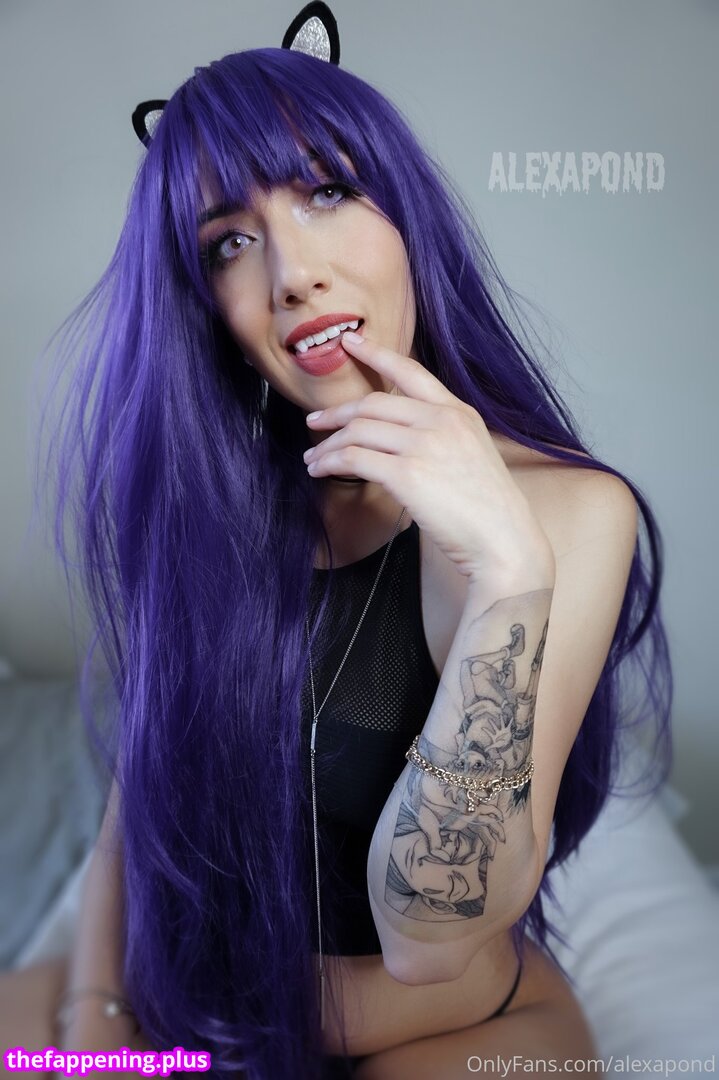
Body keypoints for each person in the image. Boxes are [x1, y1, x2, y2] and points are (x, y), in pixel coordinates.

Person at [0, 9, 672, 1080]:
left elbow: (428, 940)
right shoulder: (215, 517)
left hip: (450, 1029)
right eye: (229, 242)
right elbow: (139, 795)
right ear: (210, 312)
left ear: (405, 217)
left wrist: (505, 574)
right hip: (190, 1017)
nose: (292, 273)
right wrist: (96, 1018)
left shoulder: (565, 512)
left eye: (323, 191)